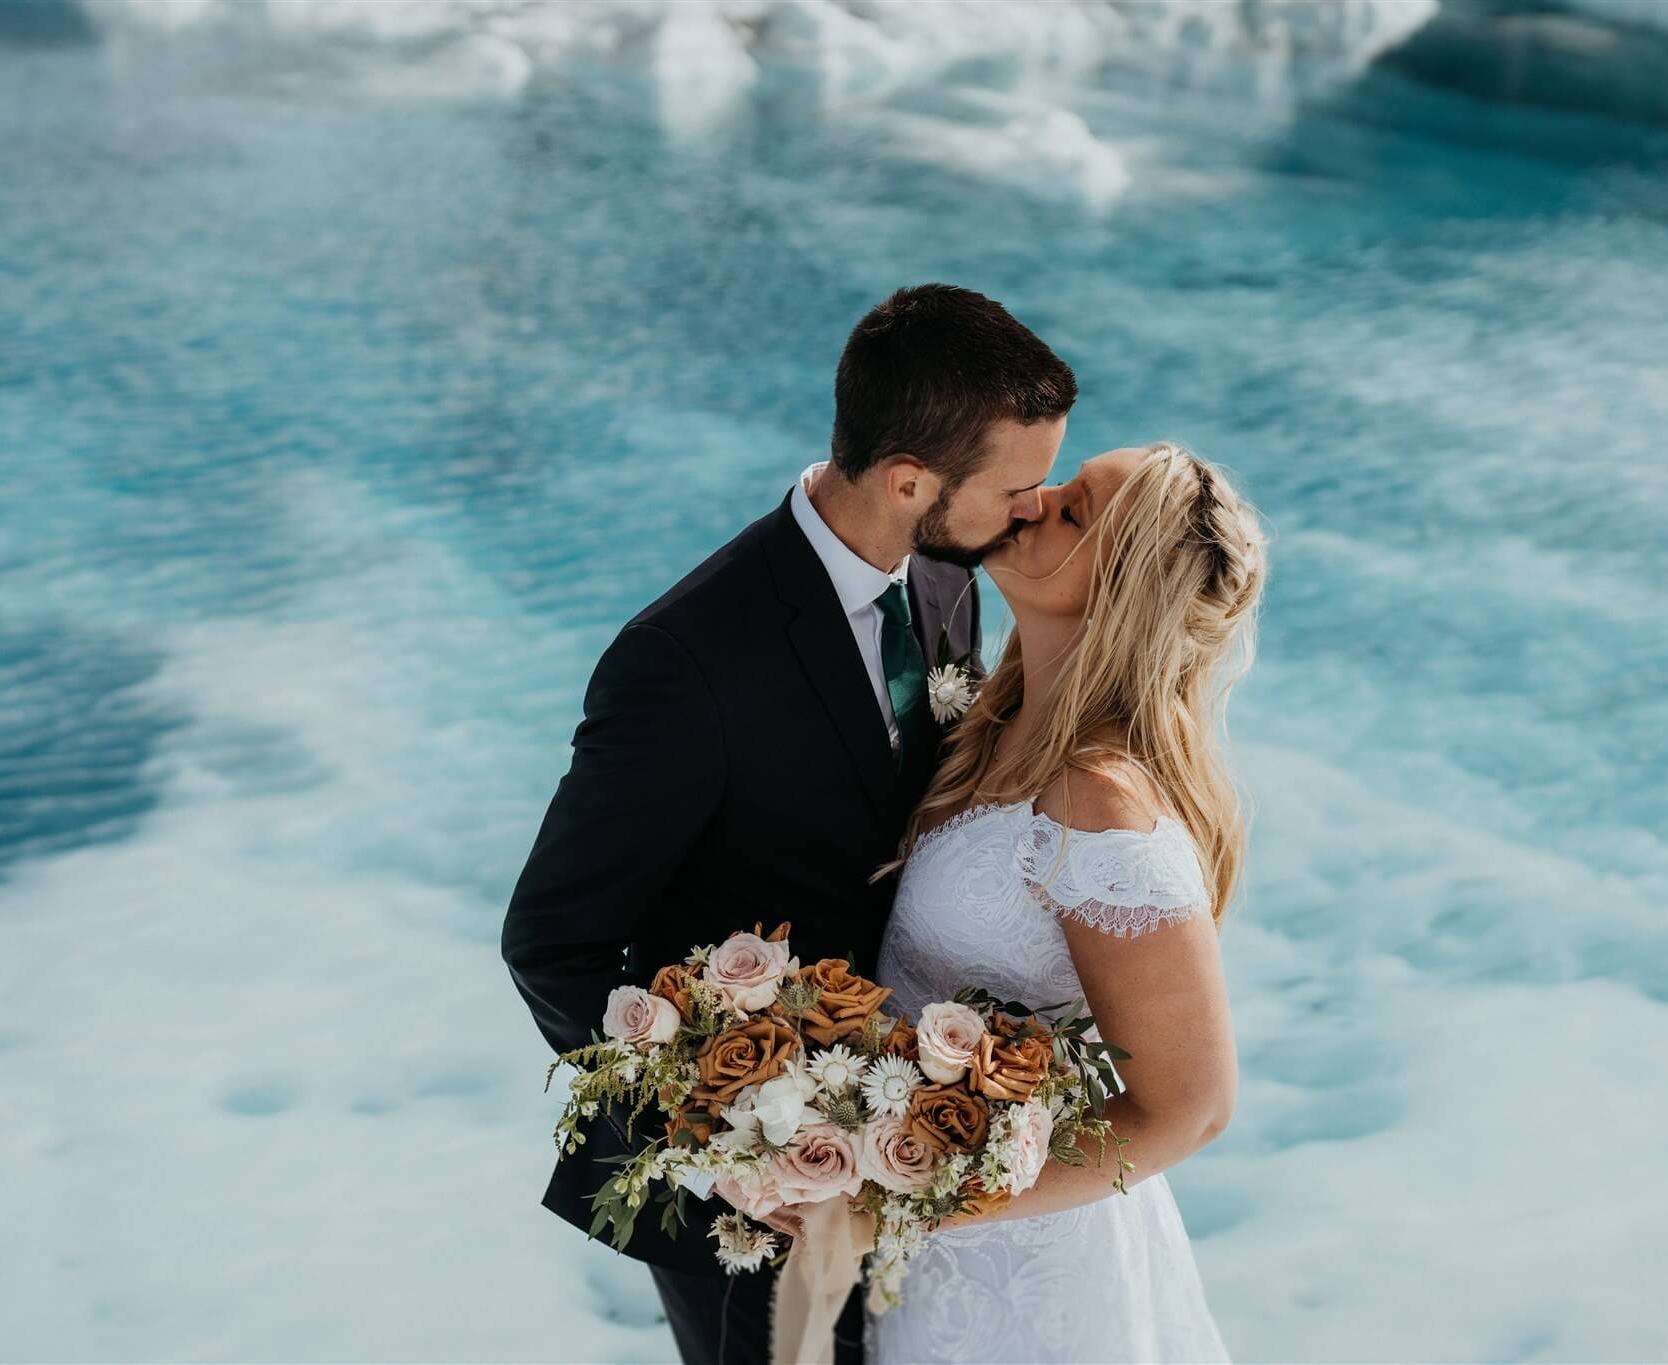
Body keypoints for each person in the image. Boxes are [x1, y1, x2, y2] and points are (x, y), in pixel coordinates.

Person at [499, 282, 1077, 1365]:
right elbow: (551, 943)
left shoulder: (946, 578)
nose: (1033, 508)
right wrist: (718, 1150)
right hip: (749, 1208)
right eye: (1019, 485)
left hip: (901, 1147)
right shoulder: (683, 662)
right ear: (909, 480)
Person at [866, 440, 1269, 1363]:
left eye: (1075, 510)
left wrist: (917, 1195)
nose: (1034, 498)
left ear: (1123, 590)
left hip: (1034, 1281)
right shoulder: (991, 729)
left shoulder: (1099, 799)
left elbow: (1192, 1105)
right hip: (927, 1256)